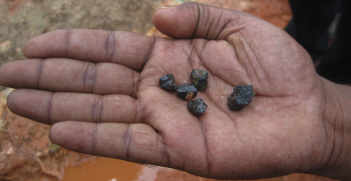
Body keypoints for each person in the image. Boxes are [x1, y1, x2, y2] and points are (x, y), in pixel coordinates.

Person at [0, 2, 350, 180]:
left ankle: (331, 57)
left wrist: (327, 119)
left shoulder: (207, 89)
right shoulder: (195, 89)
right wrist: (328, 117)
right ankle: (317, 41)